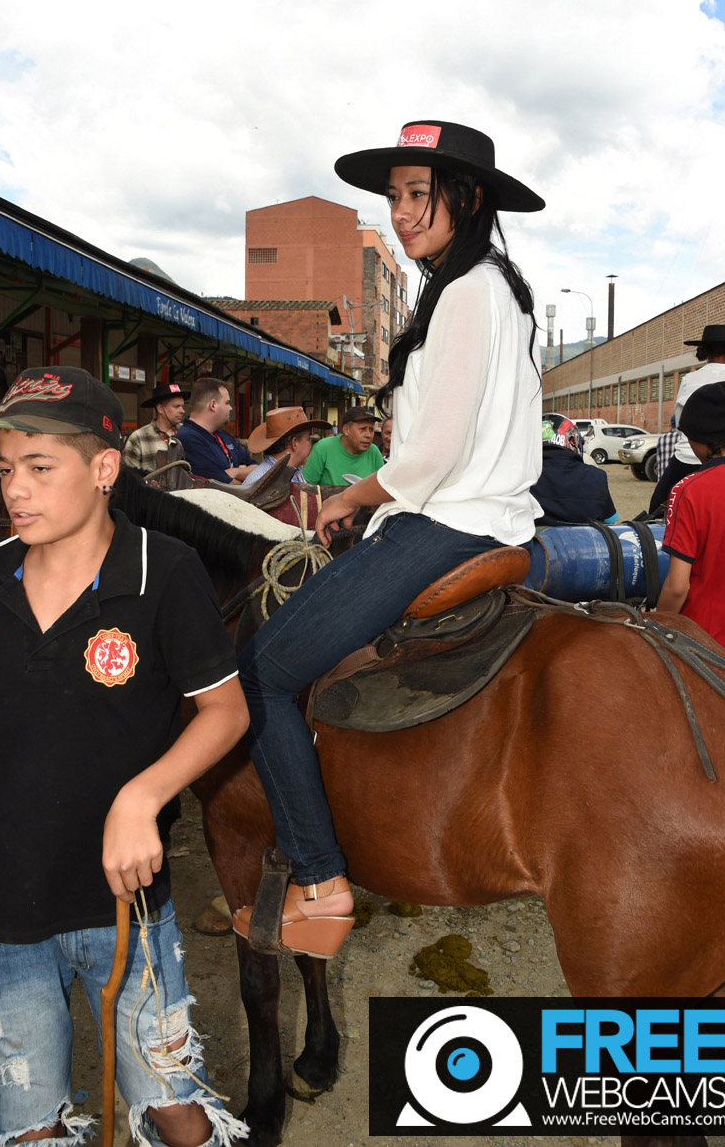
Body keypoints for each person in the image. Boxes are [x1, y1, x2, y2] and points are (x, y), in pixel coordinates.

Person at [232, 118, 545, 959]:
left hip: (445, 522)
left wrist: (349, 499)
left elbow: (432, 456)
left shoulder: (471, 291)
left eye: (419, 194)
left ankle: (319, 875)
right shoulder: (480, 287)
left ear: (468, 199)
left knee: (260, 673)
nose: (403, 213)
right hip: (466, 513)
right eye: (394, 197)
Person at [0, 366, 248, 1147]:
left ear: (104, 468)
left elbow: (224, 710)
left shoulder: (164, 572)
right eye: (4, 470)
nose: (14, 491)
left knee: (177, 1113)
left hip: (124, 908)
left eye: (39, 467)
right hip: (2, 913)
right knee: (30, 1125)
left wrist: (143, 796)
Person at [657, 380, 725, 666]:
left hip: (707, 650)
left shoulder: (689, 490)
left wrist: (657, 628)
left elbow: (676, 587)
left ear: (699, 438)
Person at [649, 324, 725, 512]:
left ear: (705, 351)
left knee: (656, 506)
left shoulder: (689, 379)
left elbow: (681, 423)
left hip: (688, 456)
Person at [531, 417, 618, 526]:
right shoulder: (596, 476)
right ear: (573, 442)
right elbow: (610, 520)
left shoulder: (523, 477)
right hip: (587, 541)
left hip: (537, 541)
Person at [175, 379, 255, 483]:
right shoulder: (188, 439)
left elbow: (258, 469)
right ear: (213, 405)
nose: (231, 408)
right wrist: (245, 474)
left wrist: (236, 472)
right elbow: (223, 485)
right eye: (227, 403)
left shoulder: (224, 435)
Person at [243, 407, 331, 487]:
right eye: (308, 439)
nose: (310, 446)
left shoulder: (295, 472)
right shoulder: (260, 481)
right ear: (295, 443)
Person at [301, 406, 384, 485]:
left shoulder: (374, 452)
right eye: (362, 429)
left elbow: (382, 489)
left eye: (371, 429)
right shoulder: (323, 448)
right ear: (346, 429)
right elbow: (306, 488)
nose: (368, 435)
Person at [122, 380, 190, 475]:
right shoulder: (139, 438)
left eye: (182, 406)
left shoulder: (187, 433)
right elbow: (128, 477)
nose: (182, 411)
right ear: (160, 409)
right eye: (176, 406)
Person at [654, 414, 679, 482]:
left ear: (671, 425)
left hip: (662, 481)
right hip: (678, 482)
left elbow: (658, 460)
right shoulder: (685, 439)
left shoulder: (662, 438)